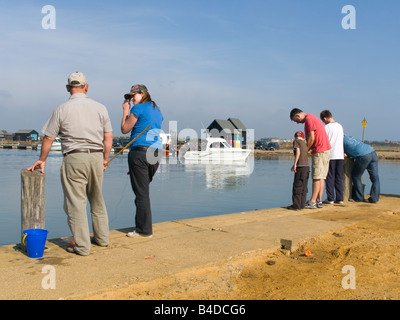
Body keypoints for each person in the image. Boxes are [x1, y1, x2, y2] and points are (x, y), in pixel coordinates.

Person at [27, 72, 113, 256]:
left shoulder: (61, 109)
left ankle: (82, 246)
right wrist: (105, 159)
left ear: (68, 88)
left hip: (74, 157)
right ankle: (102, 239)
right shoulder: (100, 107)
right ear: (86, 87)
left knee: (76, 203)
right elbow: (108, 137)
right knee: (97, 199)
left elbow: (49, 137)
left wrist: (42, 159)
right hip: (97, 157)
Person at [121, 84, 163, 238]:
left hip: (140, 151)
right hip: (156, 153)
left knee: (141, 193)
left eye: (134, 95)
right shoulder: (156, 109)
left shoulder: (137, 109)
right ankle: (144, 226)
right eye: (130, 97)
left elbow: (125, 129)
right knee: (143, 190)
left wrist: (126, 111)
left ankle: (144, 230)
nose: (132, 99)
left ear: (144, 93)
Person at [290, 108, 331, 209]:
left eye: (296, 121)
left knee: (316, 176)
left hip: (319, 149)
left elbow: (312, 138)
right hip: (325, 149)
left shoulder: (309, 119)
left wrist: (305, 150)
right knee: (321, 177)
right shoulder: (312, 117)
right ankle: (318, 201)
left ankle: (312, 201)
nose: (297, 123)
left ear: (298, 116)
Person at [343, 135, 380, 203]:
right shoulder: (350, 137)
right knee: (375, 178)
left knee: (356, 176)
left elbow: (341, 154)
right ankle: (374, 198)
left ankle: (358, 197)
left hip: (363, 156)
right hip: (372, 152)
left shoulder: (340, 142)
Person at [320, 110, 344, 204]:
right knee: (339, 177)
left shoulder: (326, 127)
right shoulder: (340, 126)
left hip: (330, 155)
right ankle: (340, 198)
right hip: (340, 155)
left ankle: (330, 198)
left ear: (325, 118)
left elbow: (323, 140)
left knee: (330, 177)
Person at [289, 131, 309, 210]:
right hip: (306, 167)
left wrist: (295, 164)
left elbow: (298, 152)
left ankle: (296, 206)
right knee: (304, 187)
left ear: (295, 137)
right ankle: (302, 205)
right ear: (303, 137)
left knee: (297, 187)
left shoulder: (296, 141)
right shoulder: (304, 143)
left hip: (300, 167)